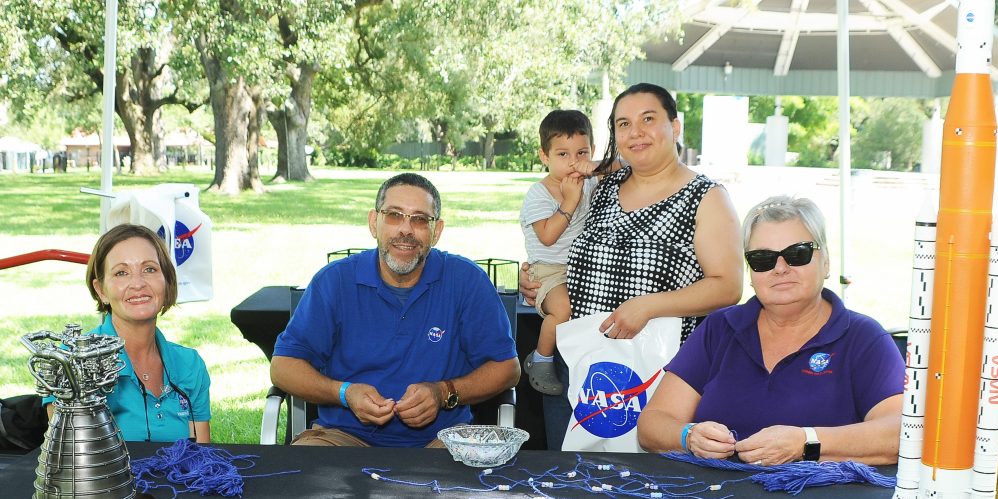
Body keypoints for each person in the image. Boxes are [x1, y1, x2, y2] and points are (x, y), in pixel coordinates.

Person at [520, 83, 744, 449]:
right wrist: (535, 277)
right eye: (623, 124)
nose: (635, 132)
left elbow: (728, 286)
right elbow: (562, 241)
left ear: (675, 126)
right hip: (582, 369)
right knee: (570, 487)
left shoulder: (706, 197)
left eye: (648, 119)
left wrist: (648, 306)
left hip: (662, 377)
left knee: (646, 492)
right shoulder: (603, 187)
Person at [637, 196, 904, 465]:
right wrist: (689, 436)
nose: (780, 268)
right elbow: (652, 424)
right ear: (751, 272)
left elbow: (898, 434)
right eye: (762, 259)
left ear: (826, 262)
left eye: (797, 254)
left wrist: (806, 442)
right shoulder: (720, 328)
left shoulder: (863, 338)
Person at [270, 173, 520, 448]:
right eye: (394, 215)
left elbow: (507, 368)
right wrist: (344, 392)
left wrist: (443, 392)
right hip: (342, 437)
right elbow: (283, 368)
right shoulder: (334, 281)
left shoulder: (467, 281)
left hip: (440, 441)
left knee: (466, 484)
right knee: (304, 476)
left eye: (420, 219)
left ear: (436, 232)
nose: (406, 230)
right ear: (373, 223)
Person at [63, 224, 212, 443]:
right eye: (121, 273)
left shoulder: (190, 364)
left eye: (150, 269)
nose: (138, 283)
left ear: (167, 281)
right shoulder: (73, 360)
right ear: (101, 290)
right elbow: (72, 457)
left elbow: (201, 457)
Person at [520, 109, 598, 396]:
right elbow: (548, 236)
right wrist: (570, 201)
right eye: (562, 154)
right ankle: (540, 358)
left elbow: (623, 166)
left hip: (578, 268)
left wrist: (596, 166)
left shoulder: (590, 180)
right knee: (562, 310)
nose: (573, 162)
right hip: (548, 269)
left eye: (582, 152)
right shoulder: (538, 194)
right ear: (545, 156)